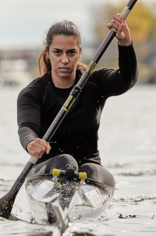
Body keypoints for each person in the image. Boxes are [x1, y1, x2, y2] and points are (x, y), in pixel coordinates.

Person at [17, 14, 138, 187]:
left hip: (89, 171)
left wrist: (125, 44)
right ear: (48, 53)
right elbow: (26, 127)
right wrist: (30, 142)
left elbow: (127, 80)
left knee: (89, 169)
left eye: (71, 52)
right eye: (57, 52)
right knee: (65, 161)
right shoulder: (32, 93)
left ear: (79, 52)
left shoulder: (95, 82)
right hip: (47, 169)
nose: (64, 60)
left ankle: (77, 201)